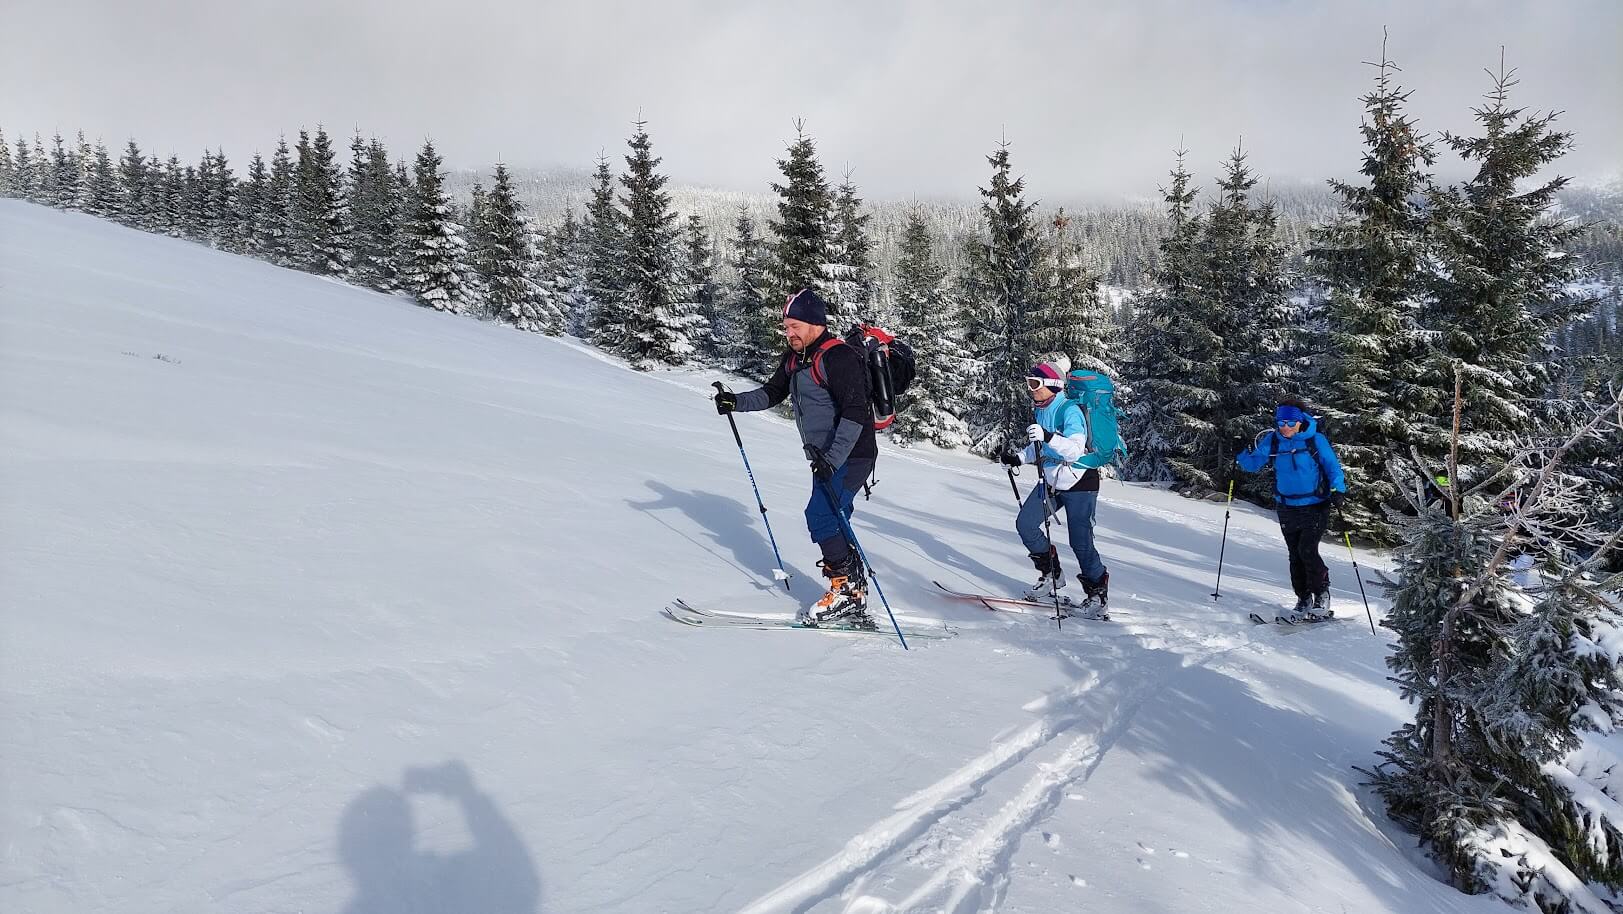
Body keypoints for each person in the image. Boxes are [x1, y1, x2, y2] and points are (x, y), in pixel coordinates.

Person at [713, 289, 878, 627]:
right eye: (786, 327)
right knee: (835, 517)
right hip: (826, 457)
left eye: (795, 326)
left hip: (851, 454)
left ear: (816, 323)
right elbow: (772, 392)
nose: (789, 333)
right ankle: (853, 586)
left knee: (820, 516)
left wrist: (832, 459)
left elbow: (856, 413)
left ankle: (846, 590)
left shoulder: (839, 357)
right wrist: (735, 401)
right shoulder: (795, 359)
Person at [999, 361, 1110, 618]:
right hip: (1052, 479)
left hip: (1080, 481)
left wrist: (1048, 436)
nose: (1031, 389)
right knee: (1026, 524)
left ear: (1053, 385)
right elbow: (1040, 447)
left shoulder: (1069, 411)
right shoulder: (1042, 409)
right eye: (1029, 383)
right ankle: (1052, 576)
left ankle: (1097, 594)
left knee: (1080, 542)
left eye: (1035, 383)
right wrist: (1018, 458)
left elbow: (1074, 450)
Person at [1236, 398, 1348, 619]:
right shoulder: (1273, 440)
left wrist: (1338, 489)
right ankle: (1303, 598)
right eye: (1281, 422)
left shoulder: (1315, 440)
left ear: (1300, 422)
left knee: (1307, 550)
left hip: (1315, 505)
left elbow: (1332, 467)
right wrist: (1240, 452)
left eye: (1290, 423)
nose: (1285, 427)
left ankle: (1321, 594)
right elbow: (1252, 464)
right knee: (1295, 554)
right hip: (1287, 506)